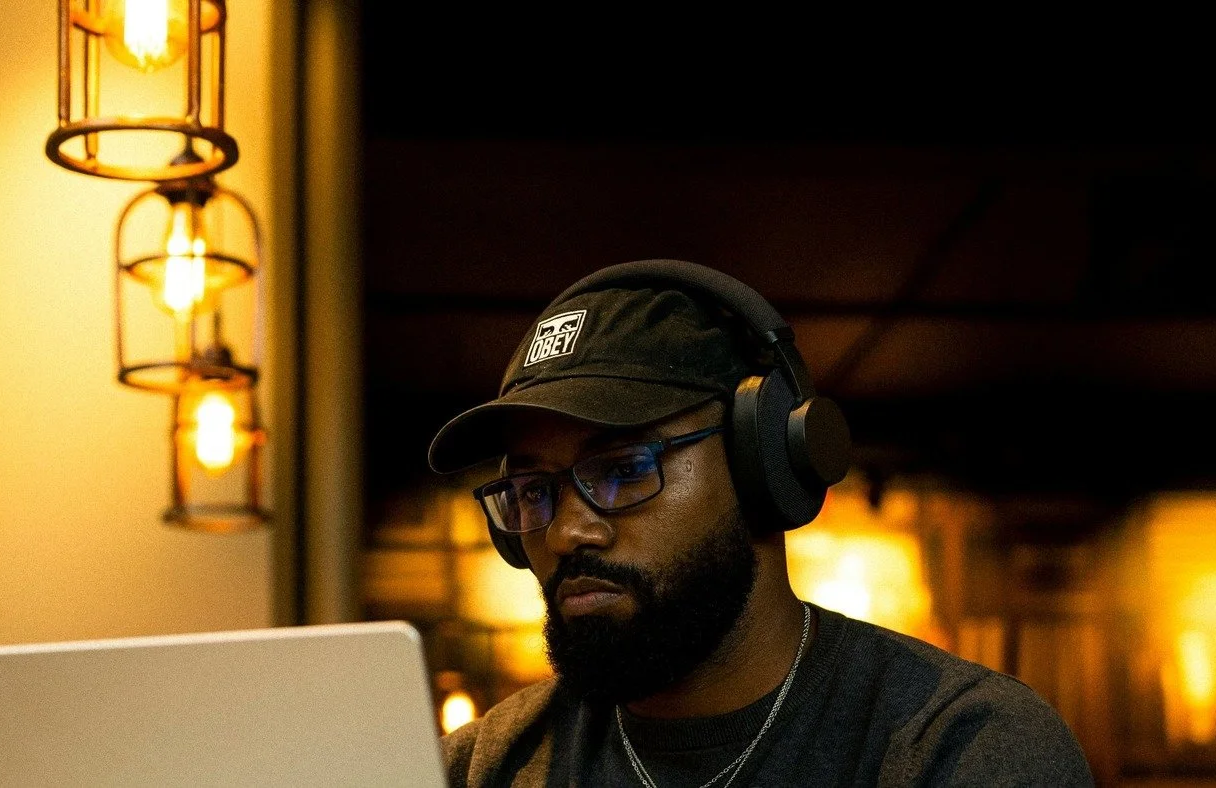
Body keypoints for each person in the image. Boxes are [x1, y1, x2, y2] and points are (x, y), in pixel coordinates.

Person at [427, 260, 1092, 787]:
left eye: (625, 469)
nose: (567, 533)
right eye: (534, 489)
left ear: (764, 463)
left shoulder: (958, 745)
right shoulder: (478, 769)